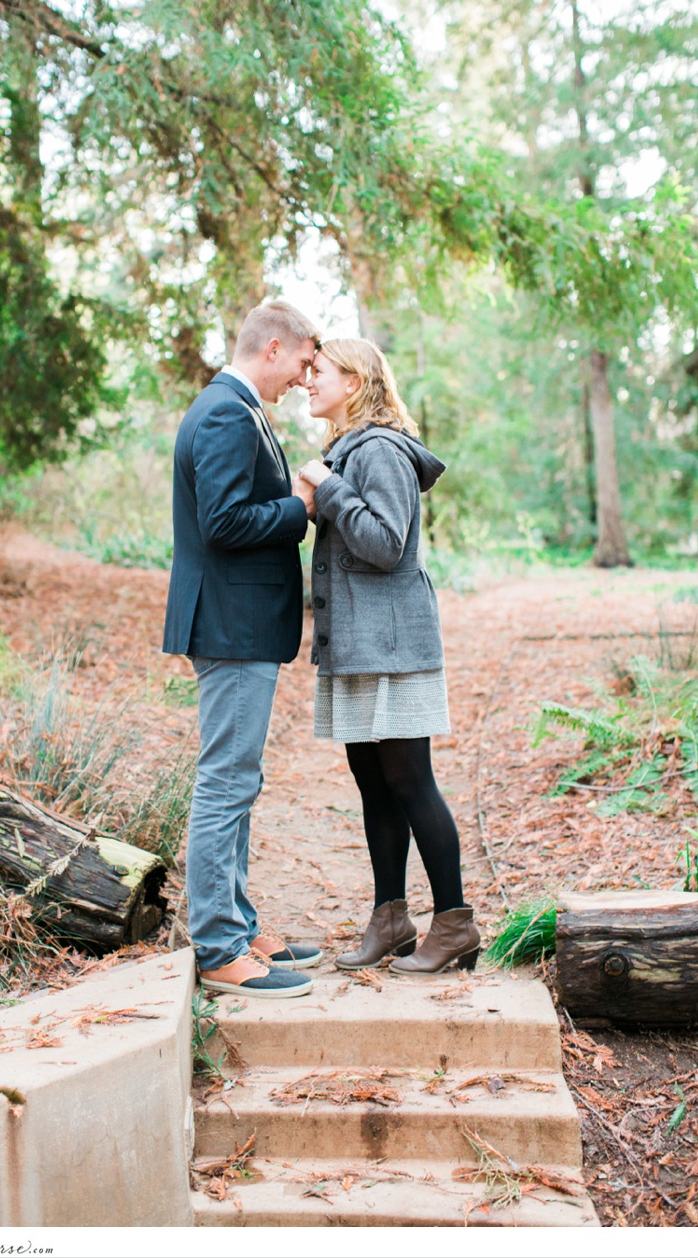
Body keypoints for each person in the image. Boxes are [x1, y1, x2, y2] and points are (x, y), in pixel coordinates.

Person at [297, 338, 480, 975]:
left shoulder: (377, 450)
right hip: (357, 645)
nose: (306, 382)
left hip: (395, 647)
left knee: (410, 782)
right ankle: (392, 917)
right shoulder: (347, 449)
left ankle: (454, 922)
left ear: (354, 380)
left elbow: (384, 544)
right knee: (373, 784)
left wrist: (328, 488)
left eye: (317, 372)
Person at [163, 300, 324, 998]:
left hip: (239, 622)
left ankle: (238, 921)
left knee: (240, 779)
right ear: (274, 347)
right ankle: (220, 946)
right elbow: (226, 522)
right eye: (303, 360)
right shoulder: (227, 412)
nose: (305, 374)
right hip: (230, 625)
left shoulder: (237, 406)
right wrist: (300, 506)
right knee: (227, 780)